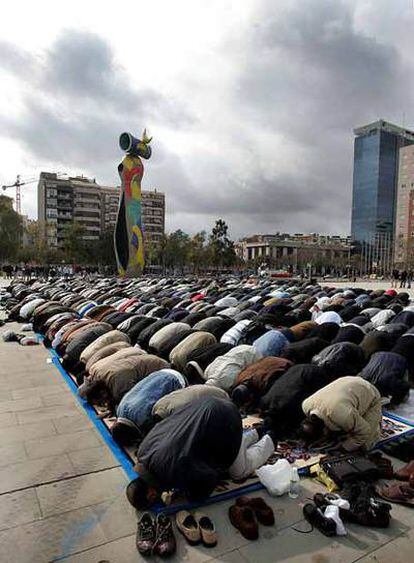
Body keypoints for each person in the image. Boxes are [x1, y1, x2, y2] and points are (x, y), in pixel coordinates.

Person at [301, 376, 382, 452]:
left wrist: (344, 446)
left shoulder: (343, 416)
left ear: (324, 431)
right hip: (346, 382)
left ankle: (377, 428)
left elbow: (364, 431)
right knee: (344, 430)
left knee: (365, 445)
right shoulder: (306, 405)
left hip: (368, 390)